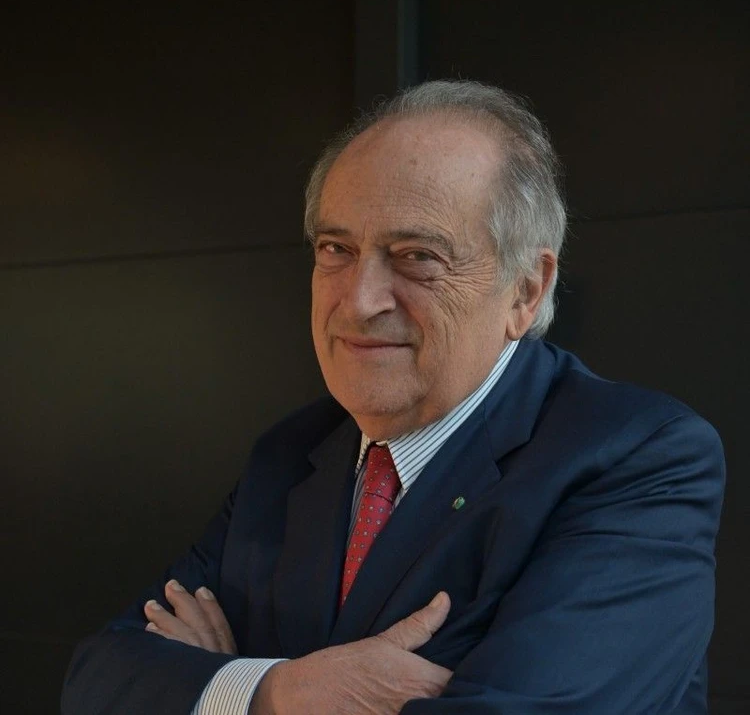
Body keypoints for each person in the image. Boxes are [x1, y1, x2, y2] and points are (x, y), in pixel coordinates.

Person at [61, 80, 724, 714]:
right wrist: (280, 693)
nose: (359, 301)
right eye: (336, 248)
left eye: (417, 256)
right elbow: (99, 680)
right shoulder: (291, 454)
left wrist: (214, 690)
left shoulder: (635, 460)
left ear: (525, 290)